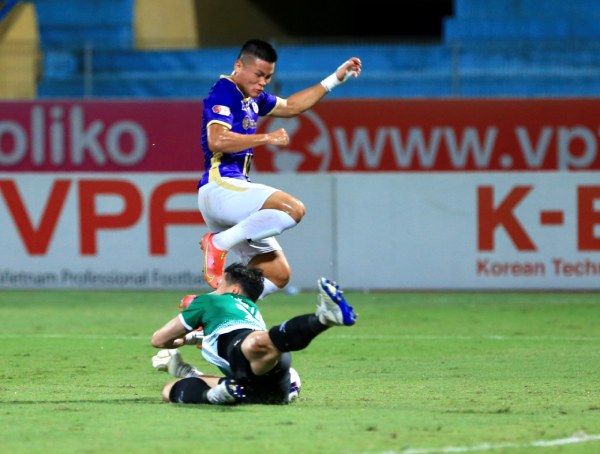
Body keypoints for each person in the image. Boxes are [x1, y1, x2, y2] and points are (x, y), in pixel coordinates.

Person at [197, 39, 362, 297]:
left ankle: (208, 311)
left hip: (233, 192)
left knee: (277, 273)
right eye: (259, 75)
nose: (263, 82)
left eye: (268, 77)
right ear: (238, 66)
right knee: (292, 208)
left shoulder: (252, 99)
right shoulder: (224, 91)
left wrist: (335, 79)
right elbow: (217, 140)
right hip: (219, 186)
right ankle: (218, 243)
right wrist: (266, 138)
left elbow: (292, 106)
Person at [150, 262, 357, 405]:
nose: (215, 288)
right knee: (170, 389)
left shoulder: (209, 301)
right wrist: (188, 345)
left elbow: (158, 339)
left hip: (250, 352)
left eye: (220, 283)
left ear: (235, 290)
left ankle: (323, 319)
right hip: (266, 381)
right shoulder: (252, 311)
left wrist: (181, 337)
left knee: (253, 345)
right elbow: (223, 334)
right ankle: (281, 387)